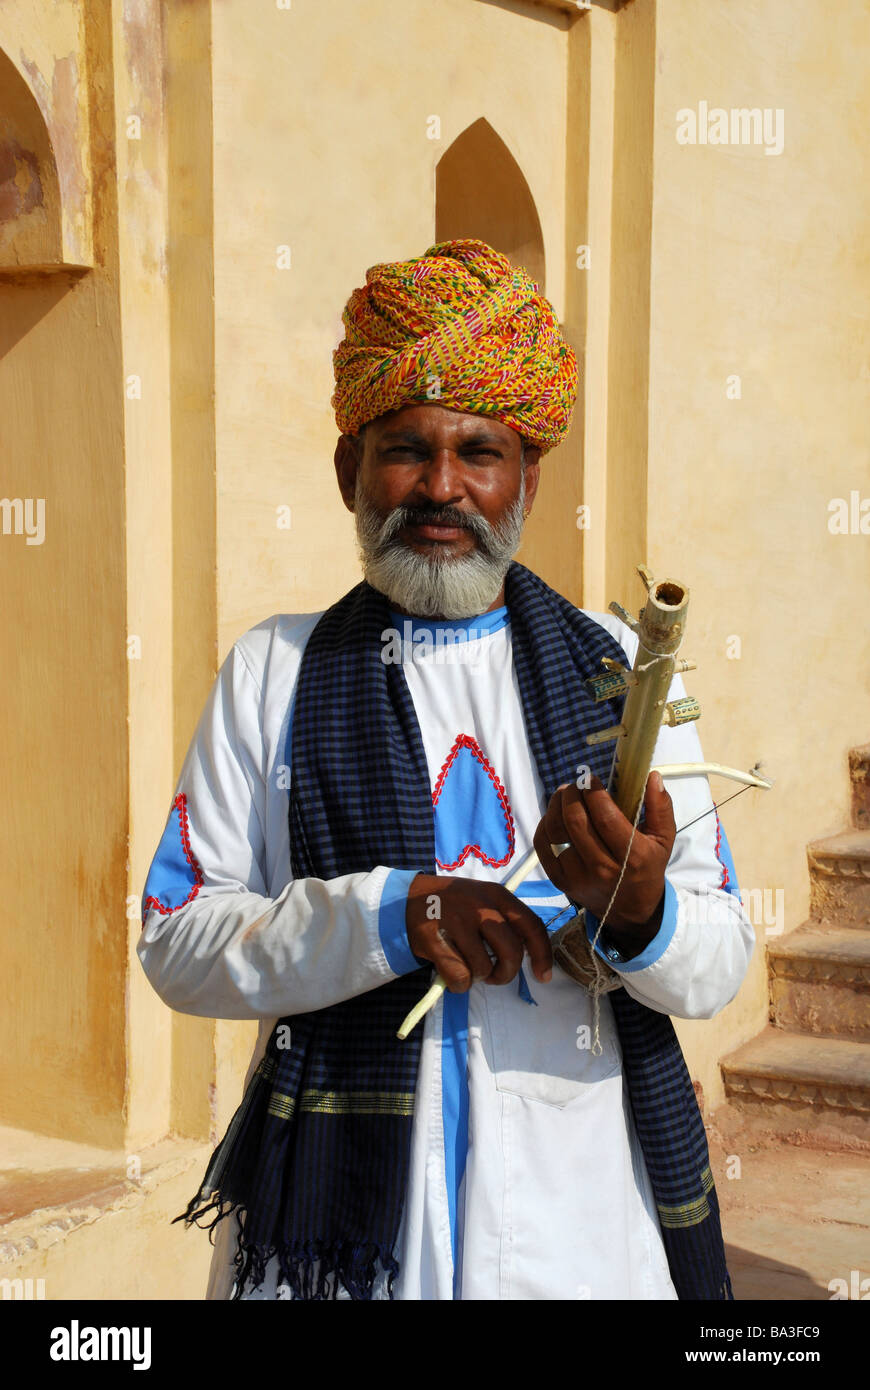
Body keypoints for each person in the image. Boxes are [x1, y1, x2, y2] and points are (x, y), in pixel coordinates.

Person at [138, 238, 755, 1301]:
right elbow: (176, 941)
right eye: (405, 450)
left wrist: (643, 911)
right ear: (349, 471)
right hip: (339, 1238)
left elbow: (719, 956)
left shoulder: (622, 674)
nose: (441, 487)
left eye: (480, 451)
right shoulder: (275, 670)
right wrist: (391, 916)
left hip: (577, 1222)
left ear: (527, 479)